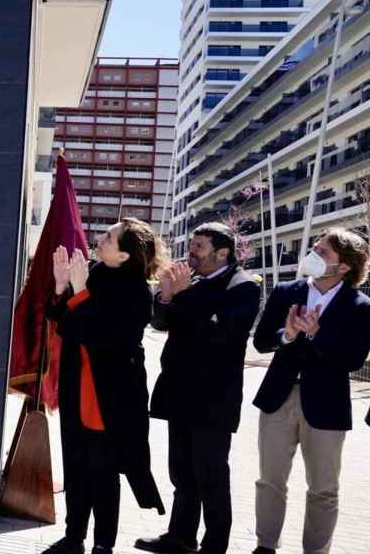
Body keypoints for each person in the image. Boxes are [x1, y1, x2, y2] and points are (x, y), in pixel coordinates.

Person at [41, 217, 166, 554]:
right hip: (76, 383)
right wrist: (60, 285)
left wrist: (79, 292)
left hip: (110, 394)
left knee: (103, 470)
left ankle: (102, 543)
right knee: (76, 463)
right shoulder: (93, 273)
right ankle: (73, 535)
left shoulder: (138, 293)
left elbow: (98, 336)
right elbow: (60, 321)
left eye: (110, 237)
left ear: (124, 255)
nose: (101, 238)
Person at [136, 223, 260, 554]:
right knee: (182, 472)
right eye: (191, 244)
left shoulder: (243, 286)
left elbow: (218, 333)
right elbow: (161, 322)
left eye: (200, 246)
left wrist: (182, 293)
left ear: (223, 253)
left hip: (214, 399)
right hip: (179, 392)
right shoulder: (188, 283)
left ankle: (215, 545)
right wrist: (165, 295)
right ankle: (180, 537)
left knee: (211, 476)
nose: (191, 252)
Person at [250, 228, 370, 554]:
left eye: (323, 253)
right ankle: (265, 546)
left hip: (327, 405)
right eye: (314, 248)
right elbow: (262, 340)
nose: (313, 256)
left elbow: (353, 358)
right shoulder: (287, 290)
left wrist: (317, 334)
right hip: (278, 397)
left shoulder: (360, 305)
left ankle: (316, 551)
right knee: (270, 481)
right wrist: (287, 335)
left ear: (344, 266)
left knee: (323, 489)